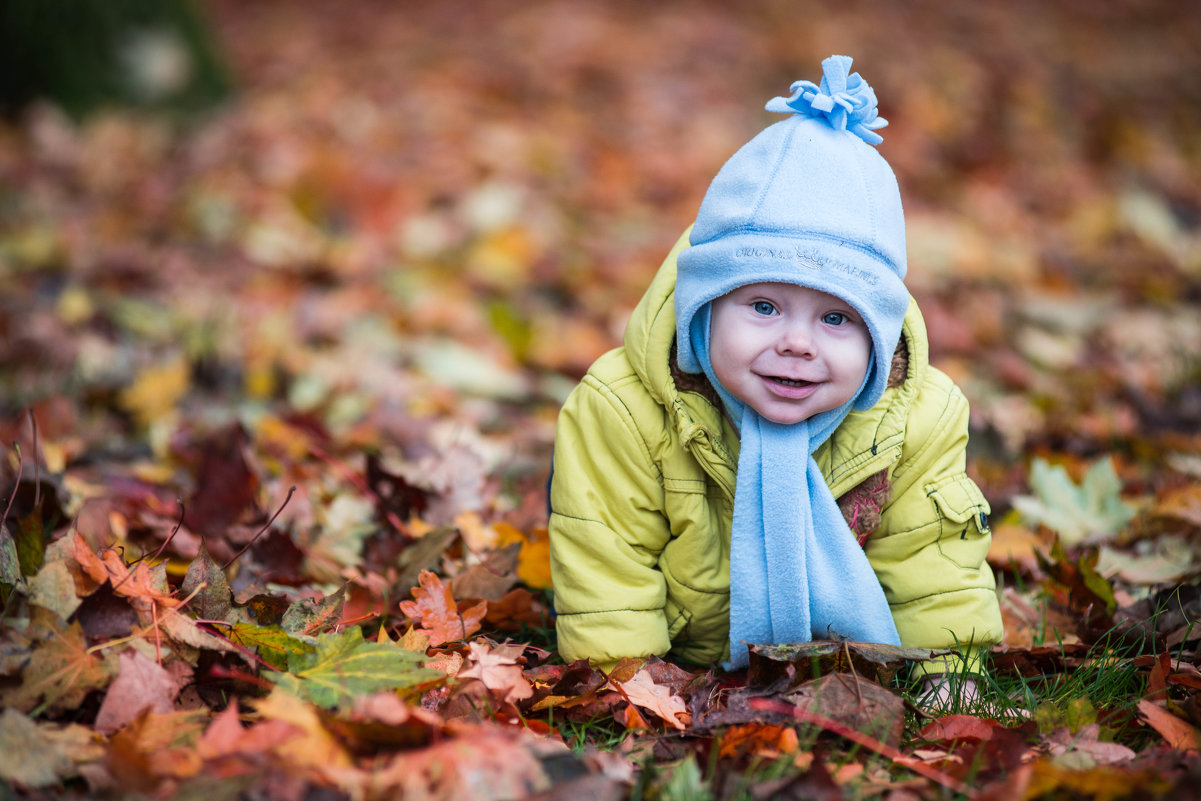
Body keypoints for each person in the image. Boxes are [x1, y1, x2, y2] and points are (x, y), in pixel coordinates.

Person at [547, 55, 1003, 693]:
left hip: (845, 661)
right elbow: (607, 561)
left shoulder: (919, 417)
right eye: (762, 307)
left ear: (879, 335)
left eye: (837, 320)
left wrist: (950, 678)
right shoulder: (624, 407)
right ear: (703, 309)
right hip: (682, 656)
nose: (796, 343)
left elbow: (932, 564)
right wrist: (629, 685)